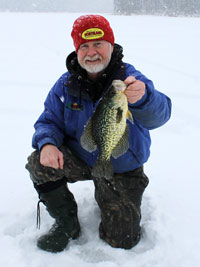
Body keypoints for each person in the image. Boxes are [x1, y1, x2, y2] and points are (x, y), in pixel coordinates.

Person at [25, 14, 171, 253]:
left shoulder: (130, 80)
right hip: (83, 156)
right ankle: (67, 223)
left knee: (122, 240)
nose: (91, 52)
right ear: (77, 51)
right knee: (39, 162)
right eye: (84, 46)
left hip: (122, 167)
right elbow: (48, 121)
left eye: (98, 44)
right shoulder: (65, 85)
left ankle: (111, 196)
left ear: (111, 46)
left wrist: (144, 99)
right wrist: (47, 143)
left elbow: (161, 114)